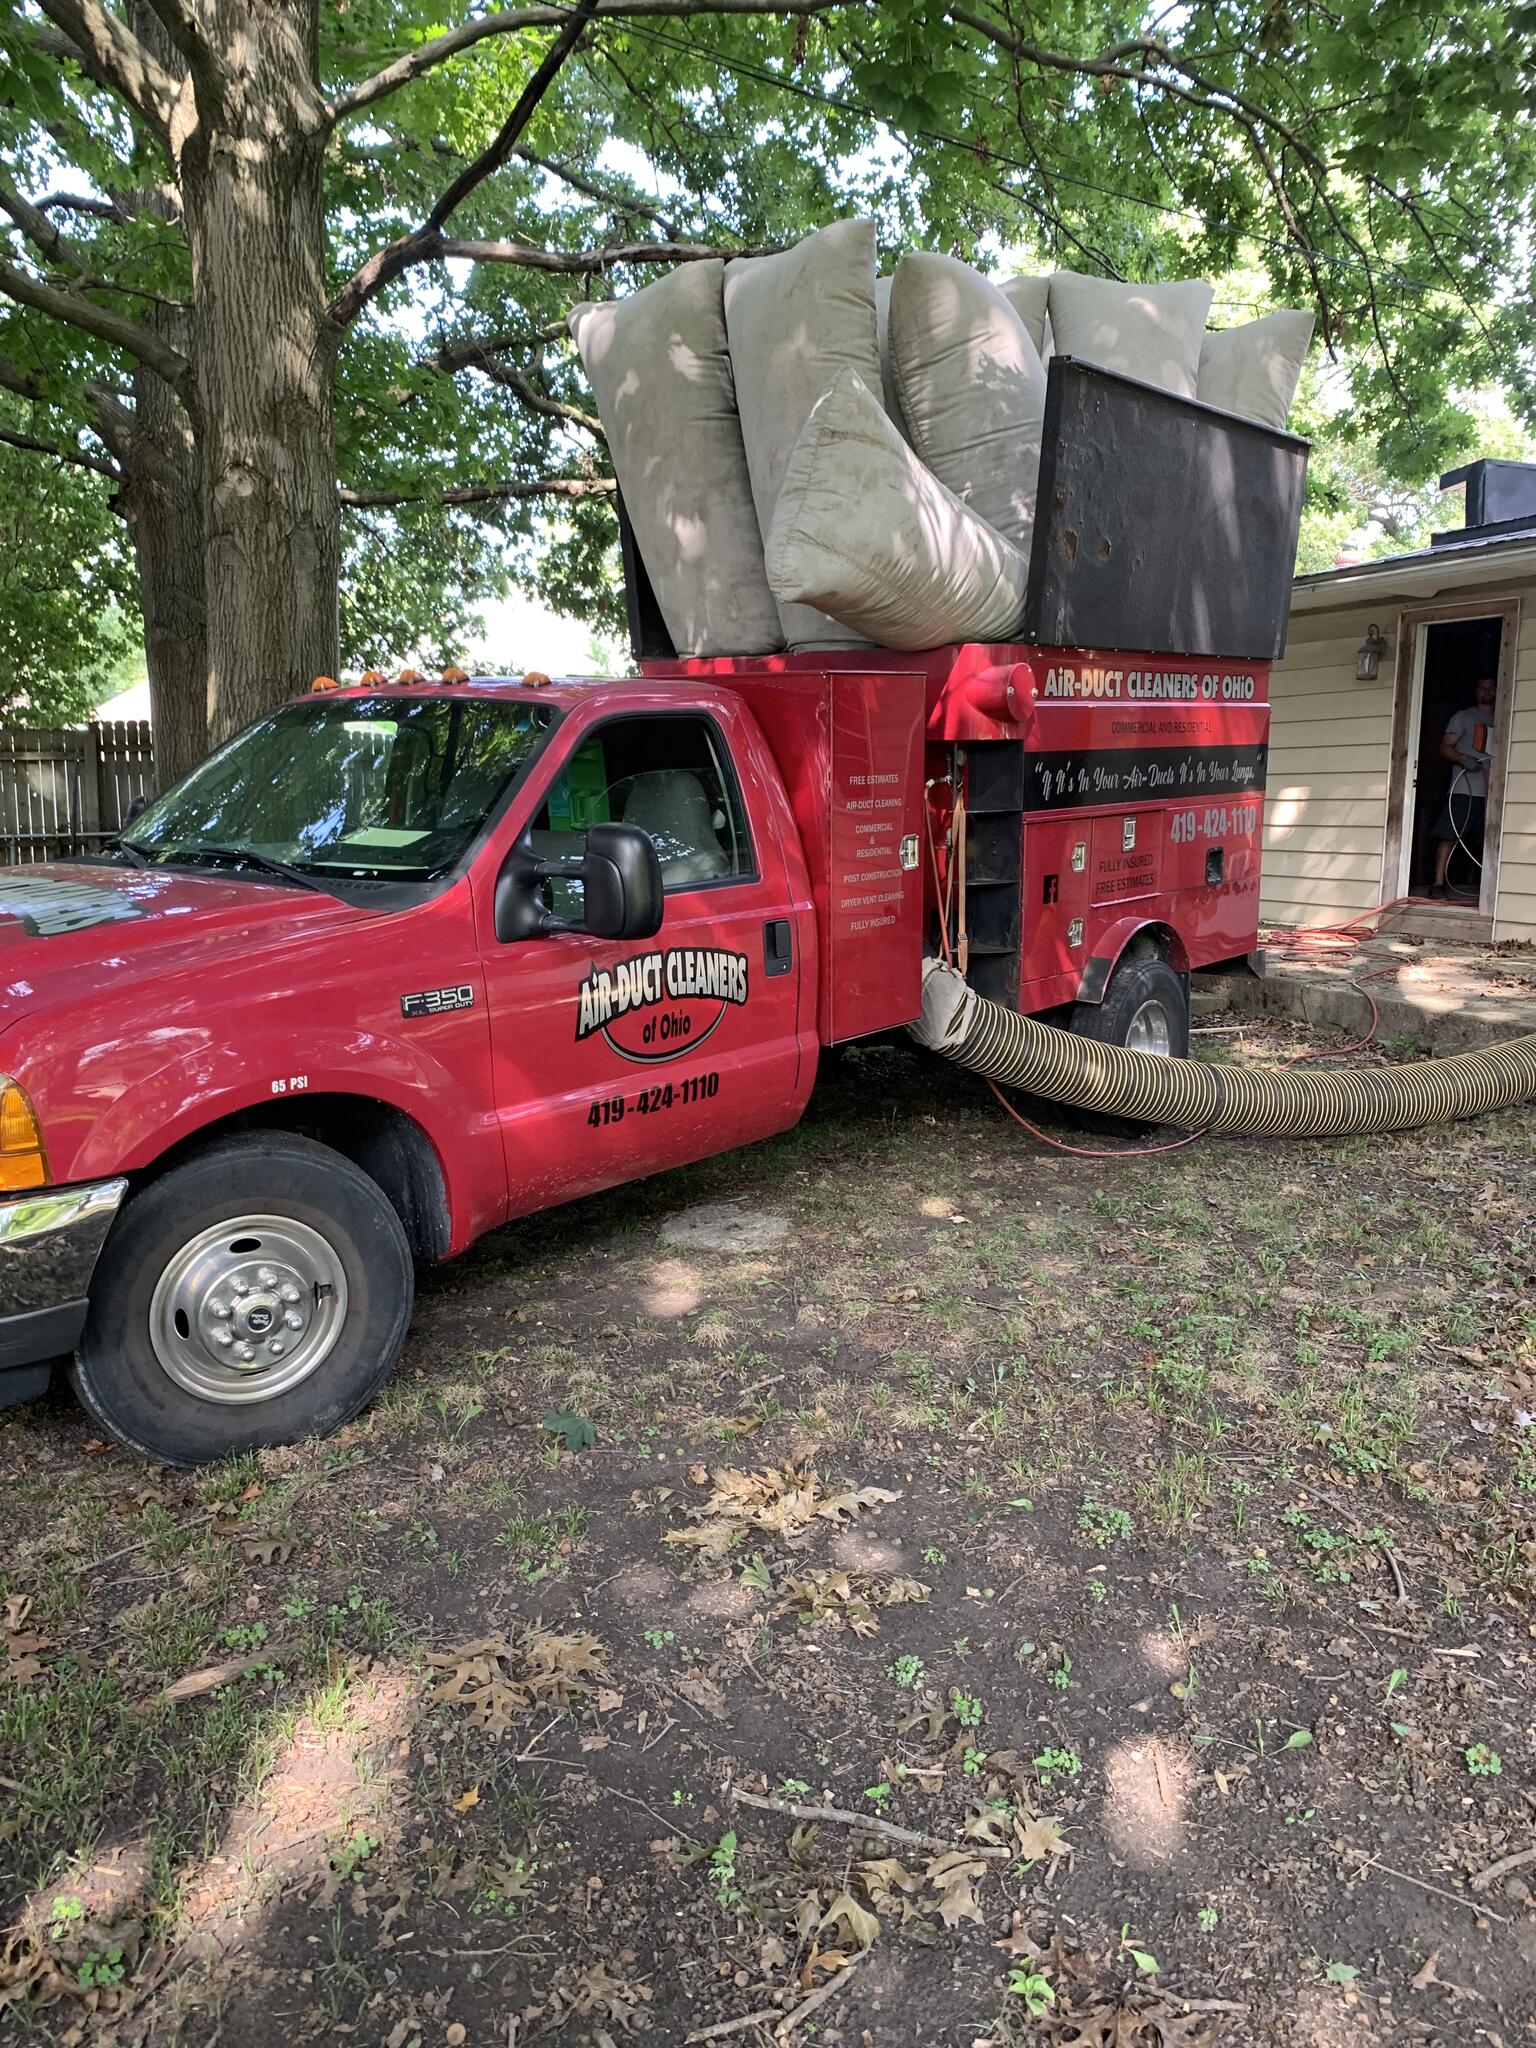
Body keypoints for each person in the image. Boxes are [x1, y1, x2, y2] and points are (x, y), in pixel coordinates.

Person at [1430, 674, 1497, 899]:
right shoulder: (1463, 717)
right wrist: (1462, 758)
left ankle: (1488, 888)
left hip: (1495, 793)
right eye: (1482, 687)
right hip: (1465, 789)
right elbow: (1445, 747)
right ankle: (1438, 884)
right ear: (1476, 691)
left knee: (1490, 840)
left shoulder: (1504, 717)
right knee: (1450, 835)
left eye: (1491, 687)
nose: (1486, 691)